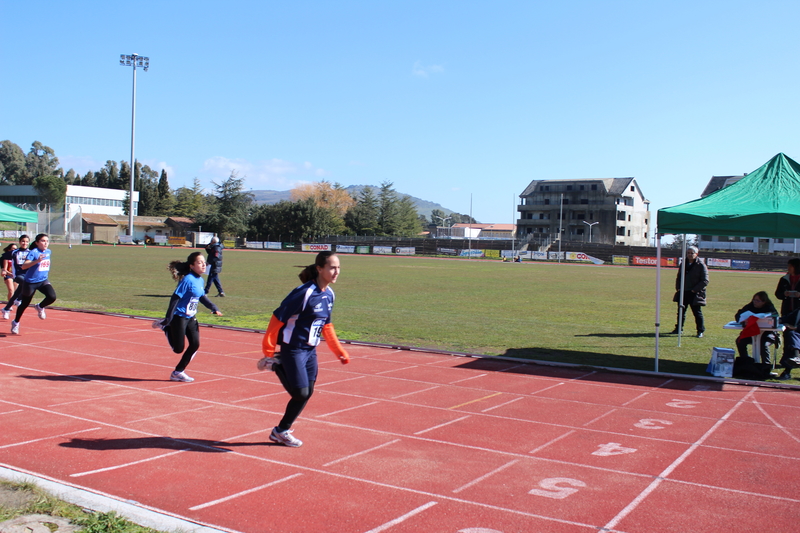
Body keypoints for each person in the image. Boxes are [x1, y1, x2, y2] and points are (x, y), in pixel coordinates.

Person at [257, 251, 349, 447]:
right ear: (319, 269)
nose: (336, 272)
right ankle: (275, 364)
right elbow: (276, 319)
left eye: (338, 267)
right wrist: (268, 351)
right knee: (300, 393)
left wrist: (339, 351)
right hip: (293, 348)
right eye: (332, 267)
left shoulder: (329, 294)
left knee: (308, 392)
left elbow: (326, 326)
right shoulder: (304, 293)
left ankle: (280, 431)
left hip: (310, 351)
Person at [155, 251, 223, 382]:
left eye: (204, 262)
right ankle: (166, 328)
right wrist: (168, 318)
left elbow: (202, 297)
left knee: (195, 344)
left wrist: (214, 307)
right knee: (178, 349)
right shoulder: (187, 279)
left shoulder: (200, 280)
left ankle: (178, 372)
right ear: (192, 266)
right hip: (178, 317)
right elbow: (175, 298)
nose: (203, 265)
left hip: (191, 317)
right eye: (199, 262)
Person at [11, 234, 56, 335]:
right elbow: (24, 266)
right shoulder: (33, 253)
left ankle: (39, 307)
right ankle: (15, 322)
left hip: (43, 281)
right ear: (37, 243)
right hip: (30, 282)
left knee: (52, 297)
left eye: (47, 241)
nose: (46, 243)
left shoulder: (48, 252)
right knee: (25, 304)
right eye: (43, 241)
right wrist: (37, 261)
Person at [671, 246, 709, 338]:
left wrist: (694, 290)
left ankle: (700, 331)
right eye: (688, 253)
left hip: (695, 293)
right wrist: (678, 288)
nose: (690, 255)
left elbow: (705, 280)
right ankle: (678, 329)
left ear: (696, 254)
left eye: (692, 253)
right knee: (681, 312)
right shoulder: (683, 263)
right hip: (683, 292)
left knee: (697, 313)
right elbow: (679, 277)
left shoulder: (701, 265)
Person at [734, 291, 778, 364]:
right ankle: (746, 361)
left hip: (767, 334)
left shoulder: (769, 308)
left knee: (763, 344)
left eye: (758, 301)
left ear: (764, 302)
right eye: (754, 300)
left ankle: (766, 365)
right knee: (740, 341)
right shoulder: (750, 306)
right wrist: (743, 321)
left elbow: (775, 318)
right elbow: (738, 315)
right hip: (751, 332)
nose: (755, 302)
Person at [2, 235, 30, 320]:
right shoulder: (15, 252)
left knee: (16, 293)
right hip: (17, 275)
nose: (24, 243)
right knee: (27, 285)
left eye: (26, 242)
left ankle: (6, 309)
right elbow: (3, 257)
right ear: (19, 242)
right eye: (23, 241)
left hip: (27, 276)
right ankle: (19, 299)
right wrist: (3, 269)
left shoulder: (31, 252)